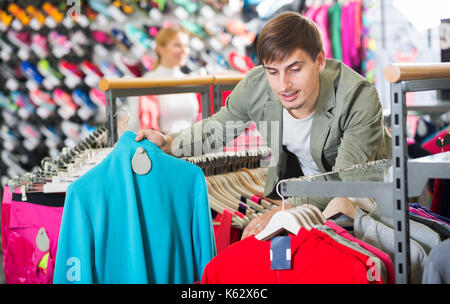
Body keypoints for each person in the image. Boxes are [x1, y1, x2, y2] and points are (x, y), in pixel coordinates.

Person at [135, 12, 392, 239]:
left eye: (295, 69)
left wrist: (284, 209)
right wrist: (169, 142)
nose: (283, 85)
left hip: (371, 195)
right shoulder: (257, 85)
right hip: (305, 191)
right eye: (273, 71)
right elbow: (220, 126)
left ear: (320, 61)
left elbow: (345, 182)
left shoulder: (358, 97)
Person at [127, 26, 199, 134]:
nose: (184, 50)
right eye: (177, 45)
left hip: (190, 147)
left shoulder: (189, 81)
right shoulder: (146, 83)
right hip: (161, 148)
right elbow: (134, 126)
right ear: (160, 49)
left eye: (186, 46)